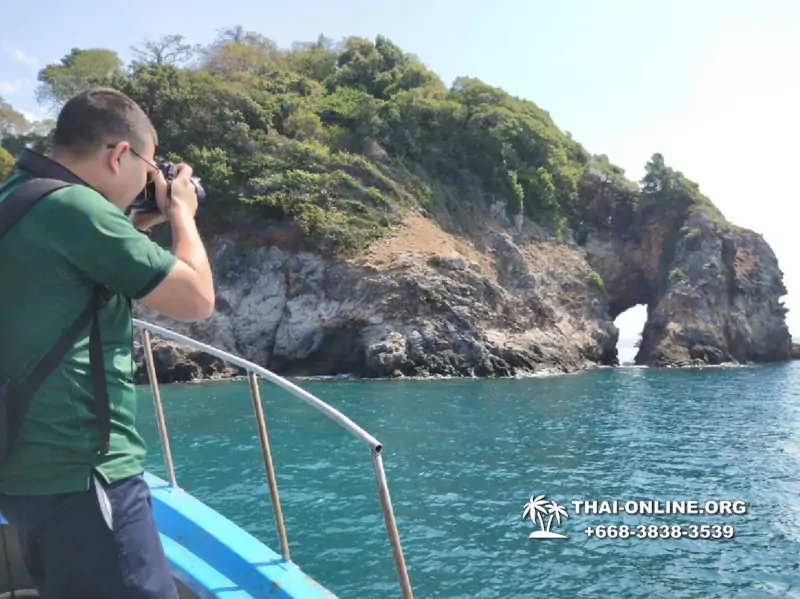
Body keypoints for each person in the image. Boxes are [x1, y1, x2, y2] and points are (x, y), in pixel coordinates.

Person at [0, 87, 215, 598]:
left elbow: (72, 272)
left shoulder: (20, 195)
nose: (150, 179)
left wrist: (139, 221)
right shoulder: (77, 209)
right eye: (148, 166)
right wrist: (181, 212)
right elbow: (196, 297)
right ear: (120, 154)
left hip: (25, 467)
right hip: (85, 471)